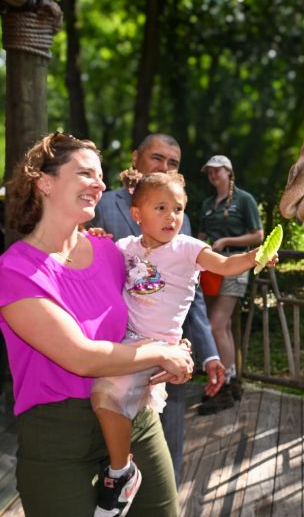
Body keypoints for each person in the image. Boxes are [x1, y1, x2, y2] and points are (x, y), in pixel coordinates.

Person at [0, 133, 193, 517]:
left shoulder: (111, 252)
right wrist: (161, 353)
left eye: (101, 176)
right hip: (58, 438)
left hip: (132, 417)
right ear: (45, 181)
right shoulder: (15, 270)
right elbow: (81, 357)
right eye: (86, 173)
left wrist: (177, 344)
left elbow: (156, 302)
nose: (101, 184)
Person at [90, 168, 275, 517]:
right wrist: (96, 237)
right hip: (127, 341)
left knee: (106, 395)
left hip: (160, 347)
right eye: (160, 208)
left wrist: (255, 257)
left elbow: (224, 264)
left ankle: (119, 473)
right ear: (136, 214)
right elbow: (95, 265)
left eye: (178, 209)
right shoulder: (125, 247)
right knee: (103, 398)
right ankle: (120, 466)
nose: (171, 217)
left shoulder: (187, 249)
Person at [90, 133, 223, 484]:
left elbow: (188, 292)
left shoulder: (179, 217)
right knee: (109, 431)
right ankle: (119, 484)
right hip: (115, 349)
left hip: (168, 359)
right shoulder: (100, 205)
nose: (165, 167)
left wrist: (203, 350)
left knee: (167, 447)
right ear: (136, 158)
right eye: (157, 158)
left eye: (173, 163)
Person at [198, 155, 263, 415]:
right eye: (209, 172)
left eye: (217, 171)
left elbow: (258, 235)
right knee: (221, 326)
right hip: (211, 269)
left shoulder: (244, 199)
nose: (213, 175)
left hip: (235, 267)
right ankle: (231, 380)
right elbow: (201, 235)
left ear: (229, 172)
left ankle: (224, 384)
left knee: (216, 324)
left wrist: (226, 241)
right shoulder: (206, 204)